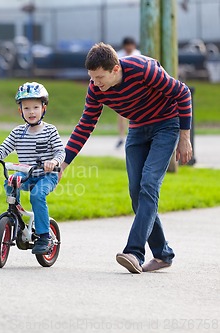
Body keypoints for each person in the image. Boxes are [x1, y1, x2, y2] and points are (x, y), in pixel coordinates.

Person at [61, 42, 192, 273]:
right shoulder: (95, 89)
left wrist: (184, 137)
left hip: (166, 125)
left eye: (100, 77)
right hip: (138, 129)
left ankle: (134, 252)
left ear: (115, 69)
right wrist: (64, 163)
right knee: (136, 191)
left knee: (149, 184)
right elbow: (85, 126)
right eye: (92, 77)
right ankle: (163, 254)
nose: (95, 83)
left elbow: (182, 92)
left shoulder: (143, 70)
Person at [0, 82, 65, 254]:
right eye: (26, 108)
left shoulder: (50, 131)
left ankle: (44, 236)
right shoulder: (18, 132)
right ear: (20, 111)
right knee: (9, 183)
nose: (31, 112)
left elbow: (60, 151)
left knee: (37, 195)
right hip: (27, 175)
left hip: (46, 176)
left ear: (44, 108)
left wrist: (54, 161)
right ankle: (16, 217)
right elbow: (4, 148)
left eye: (36, 107)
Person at [115, 37, 142, 148]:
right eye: (127, 45)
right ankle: (122, 136)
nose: (129, 47)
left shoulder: (138, 55)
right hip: (121, 89)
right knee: (121, 115)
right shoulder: (118, 55)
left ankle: (135, 136)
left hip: (135, 88)